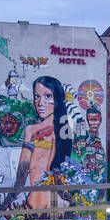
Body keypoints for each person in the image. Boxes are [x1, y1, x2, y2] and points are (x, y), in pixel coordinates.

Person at [12, 76, 72, 211]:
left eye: (48, 96)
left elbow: (22, 173)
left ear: (57, 99)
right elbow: (22, 171)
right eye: (36, 96)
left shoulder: (62, 131)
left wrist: (9, 199)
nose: (40, 103)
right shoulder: (32, 131)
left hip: (50, 205)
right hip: (38, 205)